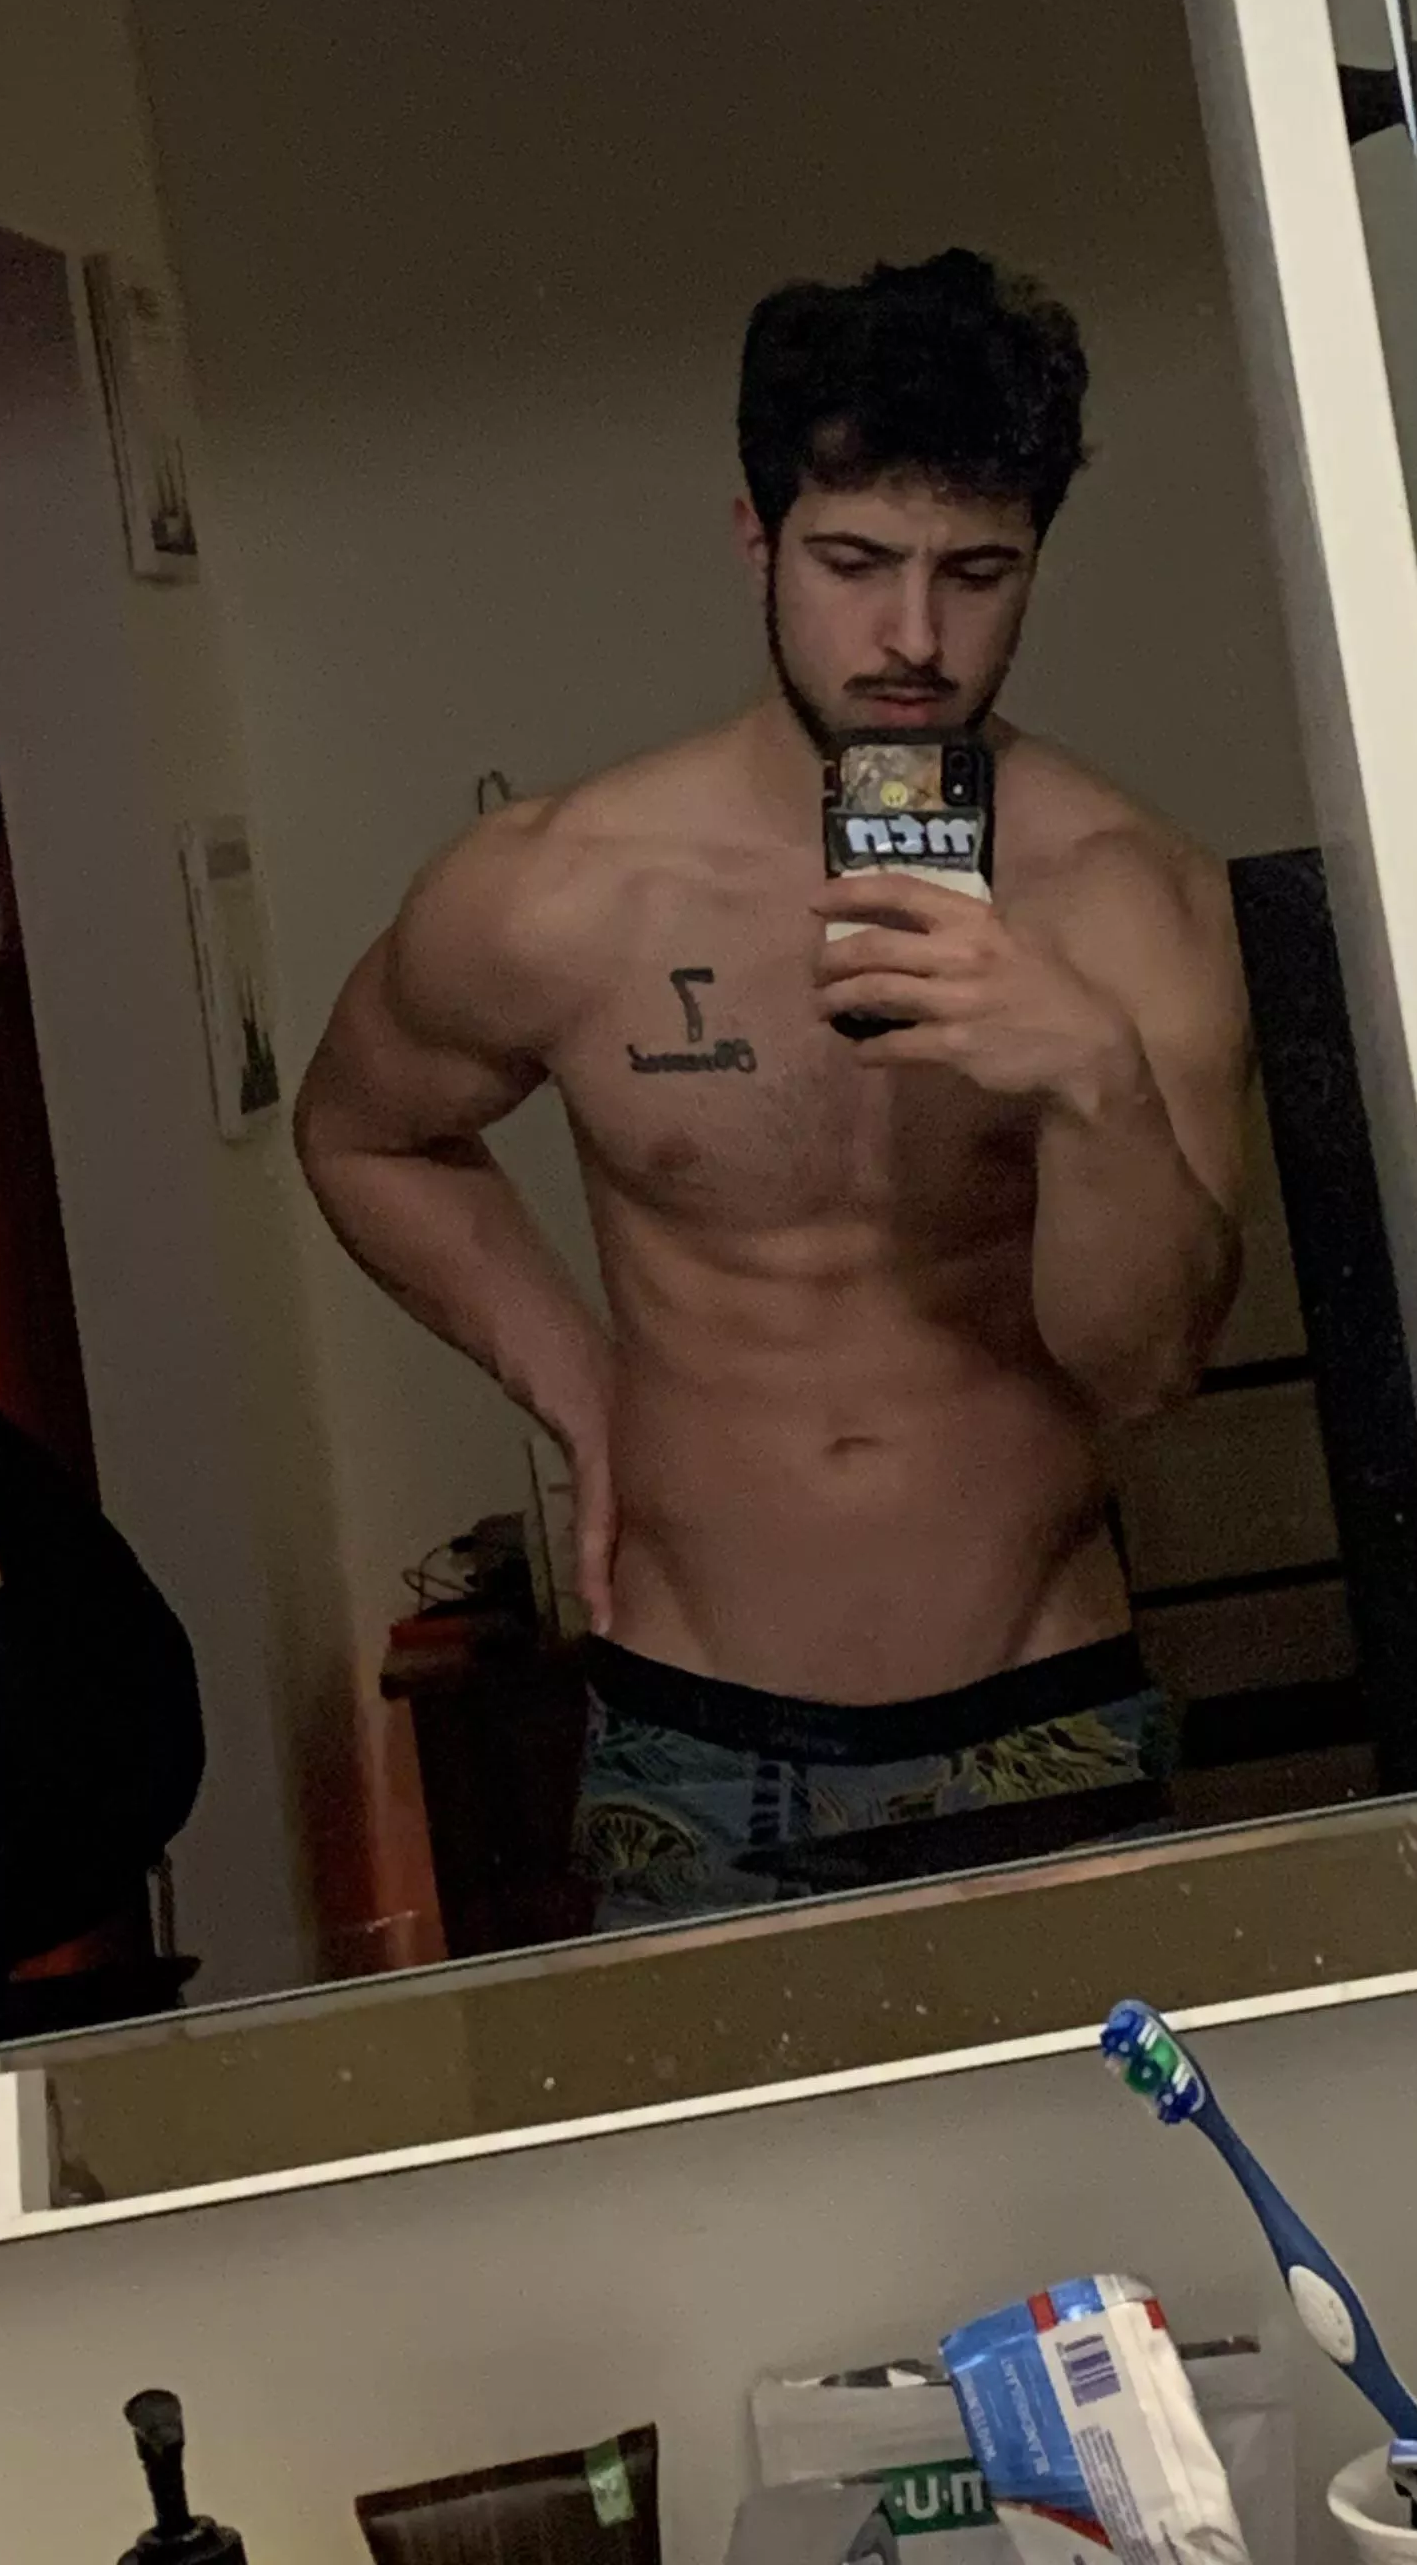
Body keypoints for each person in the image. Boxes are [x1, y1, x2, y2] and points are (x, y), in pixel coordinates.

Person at [294, 249, 1251, 1927]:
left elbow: (1150, 1367)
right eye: (854, 563)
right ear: (758, 537)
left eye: (976, 573)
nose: (913, 639)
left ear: (1035, 560)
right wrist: (584, 1392)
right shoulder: (564, 890)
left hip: (1040, 1709)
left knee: (1110, 2118)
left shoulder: (1126, 898)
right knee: (707, 2123)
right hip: (695, 1731)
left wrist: (1092, 1082)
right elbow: (364, 1133)